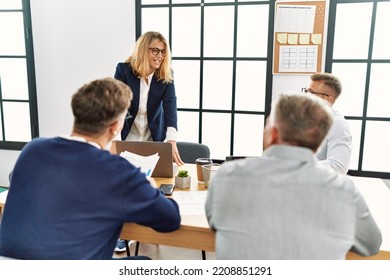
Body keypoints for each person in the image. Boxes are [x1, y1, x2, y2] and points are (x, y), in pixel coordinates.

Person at [0, 78, 181, 260]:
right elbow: (170, 219)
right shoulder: (117, 171)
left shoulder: (33, 149)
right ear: (115, 127)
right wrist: (151, 188)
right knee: (144, 264)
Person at [205, 93, 382, 260]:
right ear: (318, 144)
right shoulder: (344, 190)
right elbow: (371, 245)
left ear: (273, 134)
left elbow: (214, 222)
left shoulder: (226, 176)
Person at [114, 31, 184, 252]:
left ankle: (147, 226)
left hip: (153, 135)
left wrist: (171, 139)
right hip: (128, 134)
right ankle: (122, 233)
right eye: (155, 50)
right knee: (124, 185)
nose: (160, 56)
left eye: (163, 52)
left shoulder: (166, 75)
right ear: (144, 50)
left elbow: (171, 106)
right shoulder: (124, 70)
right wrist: (114, 139)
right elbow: (116, 104)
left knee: (151, 183)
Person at [302, 73, 352, 174]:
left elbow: (339, 166)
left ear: (328, 100)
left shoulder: (338, 125)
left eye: (311, 92)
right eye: (306, 91)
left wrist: (299, 167)